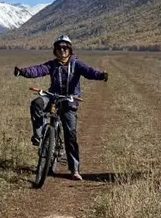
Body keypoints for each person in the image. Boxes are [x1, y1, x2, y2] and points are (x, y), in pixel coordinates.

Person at [13, 34, 108, 181]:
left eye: (65, 47)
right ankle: (38, 136)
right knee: (36, 103)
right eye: (59, 48)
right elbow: (38, 70)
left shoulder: (77, 64)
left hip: (70, 99)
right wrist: (23, 72)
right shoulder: (52, 64)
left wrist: (101, 75)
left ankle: (74, 169)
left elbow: (89, 72)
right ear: (55, 50)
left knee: (70, 134)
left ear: (69, 49)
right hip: (53, 96)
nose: (62, 50)